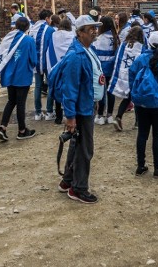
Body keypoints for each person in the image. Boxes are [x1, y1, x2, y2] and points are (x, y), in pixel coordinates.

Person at [58, 15, 104, 204]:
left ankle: (68, 180)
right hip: (81, 109)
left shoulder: (87, 50)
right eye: (90, 28)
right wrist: (70, 116)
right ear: (79, 32)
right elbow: (70, 88)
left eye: (95, 27)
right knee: (85, 148)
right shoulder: (76, 56)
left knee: (77, 145)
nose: (94, 31)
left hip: (87, 104)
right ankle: (79, 188)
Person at [129, 31, 158, 177]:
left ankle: (141, 165)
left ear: (148, 43)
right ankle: (157, 167)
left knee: (142, 134)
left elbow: (131, 77)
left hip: (142, 103)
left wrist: (135, 95)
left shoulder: (140, 59)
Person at [0, 17, 38, 141]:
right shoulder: (29, 40)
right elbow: (33, 60)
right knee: (21, 103)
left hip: (10, 75)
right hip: (23, 76)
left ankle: (2, 127)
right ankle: (22, 131)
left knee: (11, 101)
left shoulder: (9, 39)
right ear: (27, 28)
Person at [108, 25, 145, 131]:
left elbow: (117, 58)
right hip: (135, 75)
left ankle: (118, 117)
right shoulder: (141, 47)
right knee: (137, 99)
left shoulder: (124, 45)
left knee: (127, 98)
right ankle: (138, 122)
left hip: (124, 74)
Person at [29, 9, 56, 121]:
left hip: (35, 61)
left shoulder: (32, 29)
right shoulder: (49, 30)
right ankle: (49, 111)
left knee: (38, 86)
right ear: (47, 18)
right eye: (50, 18)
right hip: (46, 61)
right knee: (50, 85)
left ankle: (38, 112)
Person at [93, 16, 118, 125]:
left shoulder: (98, 38)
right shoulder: (116, 37)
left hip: (101, 69)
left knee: (101, 92)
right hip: (112, 68)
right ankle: (110, 115)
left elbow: (95, 54)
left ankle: (100, 115)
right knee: (110, 92)